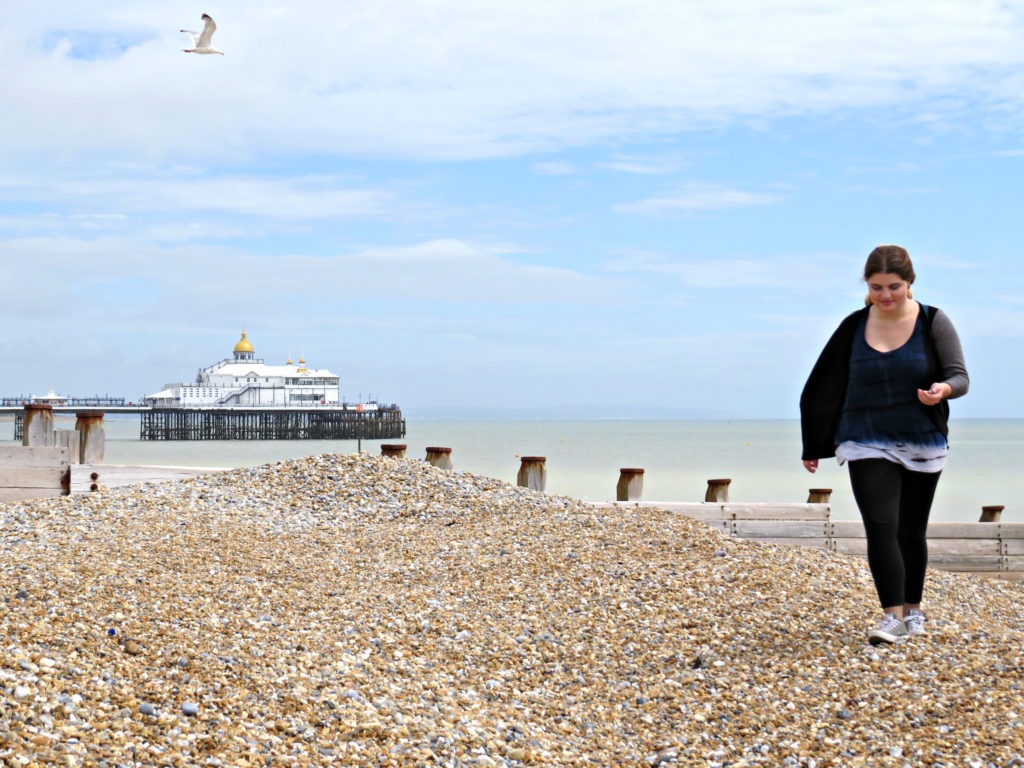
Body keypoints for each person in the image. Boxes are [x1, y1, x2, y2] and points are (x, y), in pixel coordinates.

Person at [800, 245, 969, 645]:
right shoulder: (854, 326)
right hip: (864, 438)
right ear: (867, 286)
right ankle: (891, 616)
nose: (885, 295)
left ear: (910, 283)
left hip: (922, 440)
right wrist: (814, 443)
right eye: (877, 287)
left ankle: (914, 610)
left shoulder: (933, 322)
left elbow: (960, 376)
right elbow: (823, 384)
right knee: (881, 526)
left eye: (894, 286)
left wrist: (943, 390)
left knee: (911, 531)